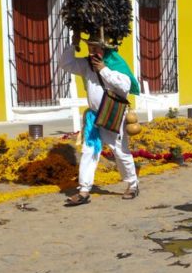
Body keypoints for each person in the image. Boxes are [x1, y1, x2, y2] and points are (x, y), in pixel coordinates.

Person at [59, 31, 141, 206]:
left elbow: (124, 86)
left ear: (104, 49)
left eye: (95, 48)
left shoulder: (116, 64)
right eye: (89, 47)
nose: (91, 52)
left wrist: (103, 69)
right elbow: (65, 64)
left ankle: (132, 184)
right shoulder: (86, 65)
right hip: (93, 118)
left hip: (112, 115)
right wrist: (73, 45)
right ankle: (84, 190)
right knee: (89, 151)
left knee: (120, 151)